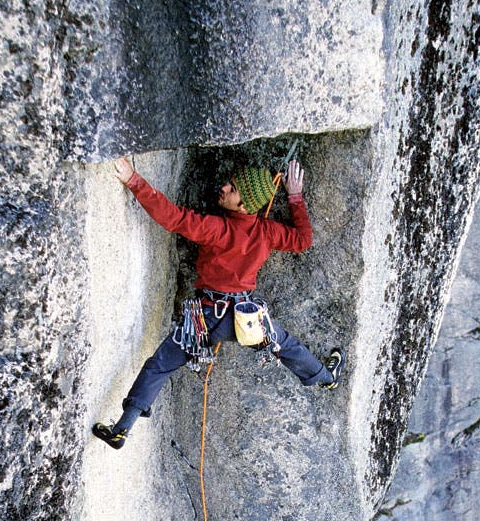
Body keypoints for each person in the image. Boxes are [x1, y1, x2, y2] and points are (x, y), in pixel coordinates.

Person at [92, 155, 346, 449]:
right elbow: (303, 239)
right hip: (246, 319)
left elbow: (172, 217)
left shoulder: (216, 228)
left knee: (160, 366)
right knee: (286, 346)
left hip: (204, 318)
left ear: (244, 205)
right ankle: (326, 378)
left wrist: (134, 180)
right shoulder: (267, 232)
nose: (224, 188)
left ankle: (122, 429)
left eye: (233, 188)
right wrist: (295, 197)